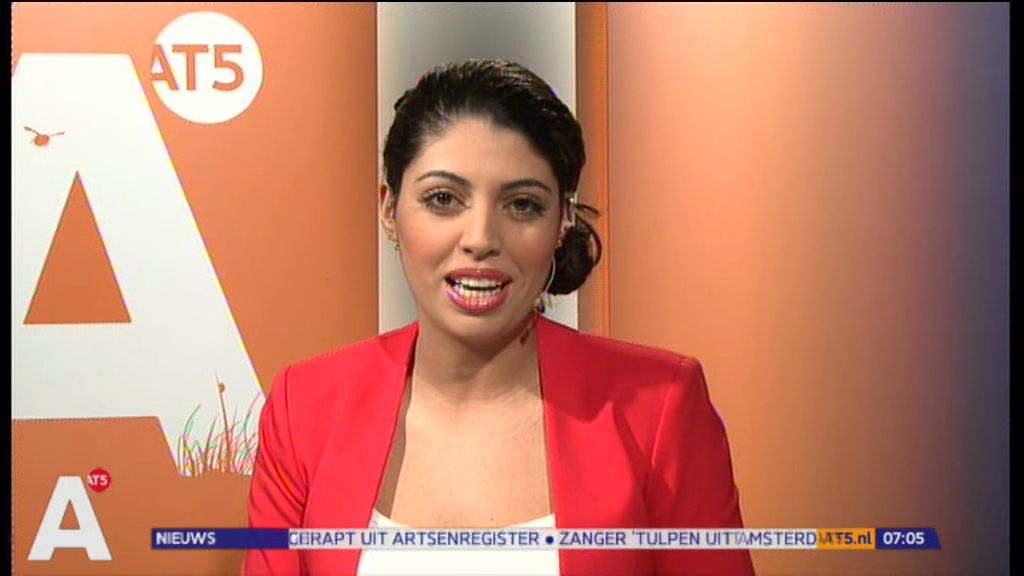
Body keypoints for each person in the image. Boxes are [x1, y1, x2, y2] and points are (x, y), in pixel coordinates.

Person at [243, 59, 755, 576]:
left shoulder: (660, 407)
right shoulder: (304, 408)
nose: (481, 238)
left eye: (522, 205)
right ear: (389, 208)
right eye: (443, 199)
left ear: (563, 219)